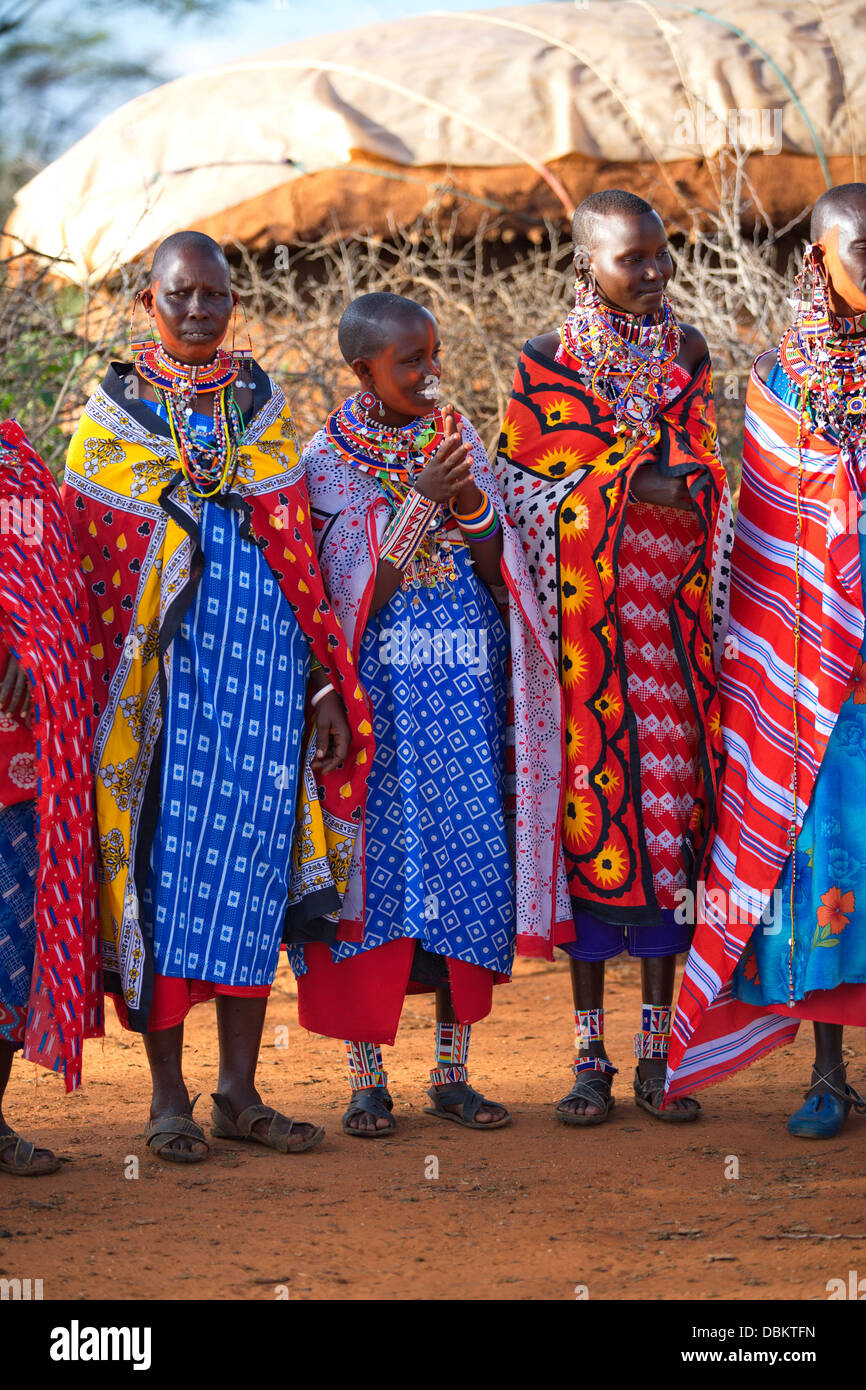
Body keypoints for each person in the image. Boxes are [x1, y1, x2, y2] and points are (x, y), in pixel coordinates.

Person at [63, 231, 373, 1163]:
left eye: (215, 295)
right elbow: (88, 565)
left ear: (235, 300)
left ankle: (241, 1092)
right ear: (145, 303)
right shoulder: (110, 415)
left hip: (267, 685)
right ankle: (167, 1100)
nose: (199, 310)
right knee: (163, 882)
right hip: (159, 700)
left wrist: (322, 679)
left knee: (252, 875)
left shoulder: (264, 405)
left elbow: (301, 557)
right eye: (180, 295)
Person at [289, 291, 566, 1136]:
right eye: (410, 361)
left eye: (434, 355)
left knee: (462, 866)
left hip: (461, 693)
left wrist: (465, 500)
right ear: (362, 370)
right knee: (368, 874)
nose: (430, 372)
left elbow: (497, 568)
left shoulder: (459, 440)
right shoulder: (323, 462)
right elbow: (344, 599)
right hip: (375, 707)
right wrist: (415, 505)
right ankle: (365, 1080)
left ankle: (452, 1074)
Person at [496, 190, 733, 1125]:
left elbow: (706, 474)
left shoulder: (688, 357)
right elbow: (522, 495)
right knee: (595, 835)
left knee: (668, 839)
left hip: (671, 641)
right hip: (585, 654)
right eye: (632, 258)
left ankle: (657, 1058)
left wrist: (675, 482)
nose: (654, 273)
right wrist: (635, 479)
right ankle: (589, 1059)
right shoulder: (544, 366)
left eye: (661, 256)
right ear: (588, 261)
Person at [665, 184, 866, 1137]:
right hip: (813, 674)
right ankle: (827, 1076)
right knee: (824, 857)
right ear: (818, 260)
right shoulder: (782, 383)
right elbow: (776, 539)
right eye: (861, 249)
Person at [0, 419, 101, 1174]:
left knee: (13, 944)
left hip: (20, 756)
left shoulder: (21, 471)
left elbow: (61, 593)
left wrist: (39, 652)